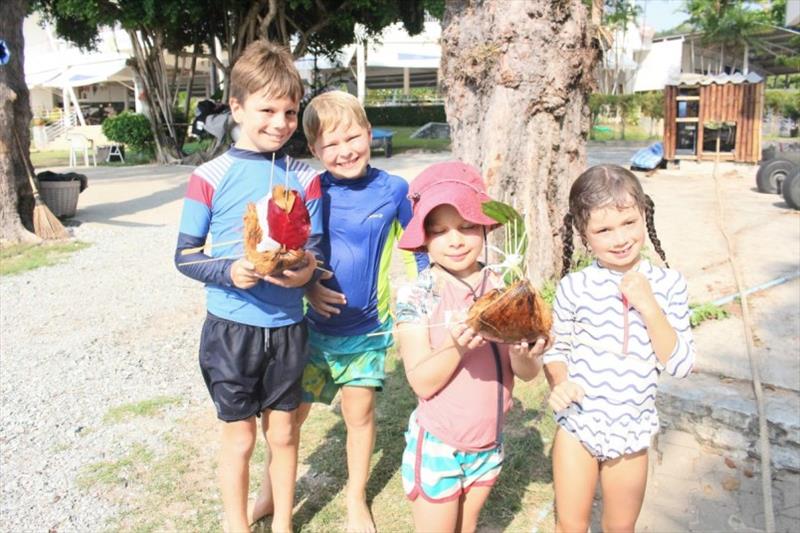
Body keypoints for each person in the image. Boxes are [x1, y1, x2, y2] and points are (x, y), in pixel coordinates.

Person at [174, 40, 322, 533]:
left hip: (288, 329)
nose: (280, 123)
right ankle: (236, 524)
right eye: (266, 110)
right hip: (231, 331)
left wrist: (303, 274)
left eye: (289, 111)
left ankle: (281, 522)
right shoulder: (208, 176)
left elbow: (313, 252)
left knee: (283, 434)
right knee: (239, 439)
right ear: (236, 107)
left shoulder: (305, 176)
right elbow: (185, 256)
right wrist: (230, 270)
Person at [294, 90, 428, 532]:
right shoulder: (309, 190)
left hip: (367, 331)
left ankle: (355, 498)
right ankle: (272, 489)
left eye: (352, 137)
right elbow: (292, 253)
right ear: (314, 150)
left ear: (369, 134)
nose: (345, 150)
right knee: (291, 414)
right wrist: (310, 285)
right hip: (312, 331)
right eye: (330, 144)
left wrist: (427, 297)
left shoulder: (393, 189)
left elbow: (417, 249)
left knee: (360, 414)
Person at [393, 161, 550, 533]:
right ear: (424, 238)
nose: (456, 240)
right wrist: (455, 346)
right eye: (440, 231)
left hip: (488, 444)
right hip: (439, 444)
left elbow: (527, 375)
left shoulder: (505, 287)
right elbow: (422, 383)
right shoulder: (416, 296)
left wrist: (524, 353)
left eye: (466, 227)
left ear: (484, 227)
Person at [543, 164, 696, 533]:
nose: (620, 238)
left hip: (632, 431)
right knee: (570, 525)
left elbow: (681, 364)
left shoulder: (669, 284)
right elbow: (556, 349)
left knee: (620, 528)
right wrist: (559, 381)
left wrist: (649, 305)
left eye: (629, 223)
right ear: (583, 234)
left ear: (644, 214)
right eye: (603, 230)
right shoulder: (574, 287)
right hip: (578, 426)